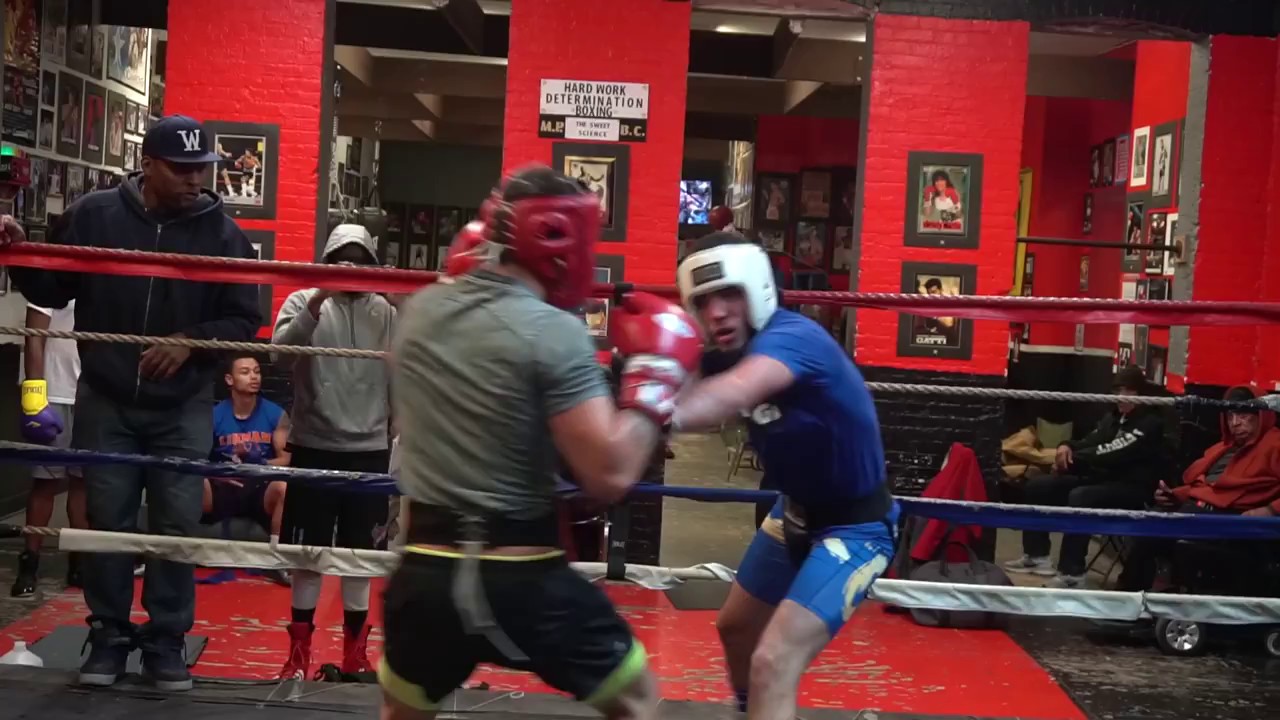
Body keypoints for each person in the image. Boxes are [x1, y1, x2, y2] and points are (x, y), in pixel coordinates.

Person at [379, 165, 701, 720]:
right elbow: (610, 474)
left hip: (425, 573)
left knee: (402, 711)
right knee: (638, 700)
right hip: (521, 579)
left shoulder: (418, 313)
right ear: (558, 240)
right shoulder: (553, 331)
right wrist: (654, 377)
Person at [0, 114, 261, 691]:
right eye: (182, 168)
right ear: (148, 165)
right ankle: (110, 634)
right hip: (107, 396)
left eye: (202, 168)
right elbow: (51, 288)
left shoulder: (223, 235)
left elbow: (247, 317)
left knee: (175, 525)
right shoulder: (95, 216)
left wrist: (193, 341)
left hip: (184, 404)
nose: (195, 179)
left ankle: (167, 639)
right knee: (109, 522)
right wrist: (17, 252)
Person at [668, 232, 896, 720]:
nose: (717, 313)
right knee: (735, 630)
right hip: (792, 512)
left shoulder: (792, 339)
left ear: (757, 287)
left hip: (856, 528)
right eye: (703, 301)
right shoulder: (726, 349)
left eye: (729, 294)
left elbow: (727, 396)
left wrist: (648, 408)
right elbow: (691, 383)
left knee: (773, 662)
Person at [272, 223, 398, 680]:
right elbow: (280, 356)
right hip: (314, 443)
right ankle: (298, 656)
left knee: (361, 557)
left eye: (360, 261)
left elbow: (404, 372)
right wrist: (317, 300)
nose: (351, 269)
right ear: (327, 262)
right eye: (343, 261)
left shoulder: (386, 311)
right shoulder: (302, 300)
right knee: (308, 555)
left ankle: (355, 655)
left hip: (370, 446)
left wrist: (396, 430)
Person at [1004, 365, 1169, 588]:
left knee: (1081, 497)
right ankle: (1037, 556)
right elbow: (1090, 441)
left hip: (1132, 488)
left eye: (1129, 391)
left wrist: (1073, 460)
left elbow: (1115, 452)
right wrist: (1065, 446)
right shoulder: (1113, 418)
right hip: (1104, 480)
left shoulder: (1149, 424)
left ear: (1141, 394)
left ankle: (1072, 573)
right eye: (1118, 390)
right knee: (1038, 486)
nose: (1122, 397)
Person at [1117, 386, 1280, 591]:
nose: (1235, 423)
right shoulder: (1223, 448)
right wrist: (1174, 495)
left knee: (1152, 529)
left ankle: (1131, 597)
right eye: (1230, 416)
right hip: (1199, 510)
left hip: (1229, 517)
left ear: (1261, 415)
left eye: (1243, 415)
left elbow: (1221, 492)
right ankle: (1134, 596)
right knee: (1145, 525)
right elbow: (1207, 486)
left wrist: (1270, 510)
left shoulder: (1275, 444)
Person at [11, 300, 86, 598]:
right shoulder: (51, 283)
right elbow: (34, 335)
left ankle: (78, 563)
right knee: (45, 483)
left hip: (90, 392)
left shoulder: (102, 282)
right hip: (52, 392)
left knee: (82, 483)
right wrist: (34, 395)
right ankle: (29, 563)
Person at [201, 355, 290, 540]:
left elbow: (286, 459)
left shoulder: (276, 414)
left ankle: (279, 553)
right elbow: (198, 459)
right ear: (229, 379)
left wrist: (260, 463)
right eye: (245, 372)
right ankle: (183, 548)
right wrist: (220, 472)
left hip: (259, 485)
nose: (254, 376)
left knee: (283, 488)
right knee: (193, 483)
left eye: (257, 372)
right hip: (223, 484)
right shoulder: (213, 416)